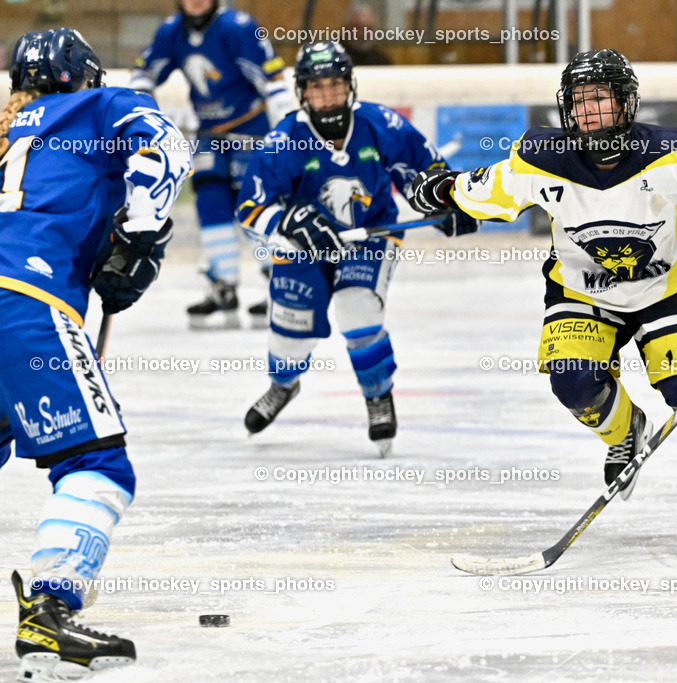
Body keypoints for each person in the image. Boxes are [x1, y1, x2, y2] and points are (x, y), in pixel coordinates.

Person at [407, 49, 677, 537]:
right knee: (573, 383)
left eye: (601, 100)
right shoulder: (539, 159)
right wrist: (445, 192)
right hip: (581, 289)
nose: (589, 113)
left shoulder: (673, 153)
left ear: (627, 104)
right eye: (580, 103)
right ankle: (625, 430)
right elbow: (489, 188)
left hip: (667, 288)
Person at [0, 28, 192, 679]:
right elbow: (168, 143)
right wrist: (140, 230)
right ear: (84, 75)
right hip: (24, 302)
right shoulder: (98, 108)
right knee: (98, 462)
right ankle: (50, 609)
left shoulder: (8, 134)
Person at [236, 41, 476, 457]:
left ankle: (378, 393)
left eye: (334, 84)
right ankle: (283, 384)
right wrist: (286, 222)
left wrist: (451, 201)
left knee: (357, 307)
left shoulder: (380, 123)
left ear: (350, 85)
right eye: (316, 87)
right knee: (289, 339)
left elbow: (428, 170)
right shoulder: (284, 138)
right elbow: (250, 207)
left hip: (371, 235)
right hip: (304, 247)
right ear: (301, 92)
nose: (327, 96)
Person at [131, 0, 292, 329]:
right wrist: (144, 117)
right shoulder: (171, 31)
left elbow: (273, 83)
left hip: (252, 129)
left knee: (256, 202)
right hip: (208, 132)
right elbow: (142, 76)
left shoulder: (239, 27)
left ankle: (281, 282)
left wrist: (287, 134)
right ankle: (224, 285)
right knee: (210, 198)